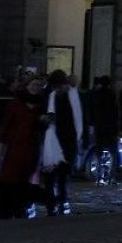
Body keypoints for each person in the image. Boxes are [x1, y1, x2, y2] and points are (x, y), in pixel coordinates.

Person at [0, 75, 47, 219]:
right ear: (27, 86)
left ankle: (19, 208)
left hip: (32, 146)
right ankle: (0, 208)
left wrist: (43, 121)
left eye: (38, 85)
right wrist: (1, 145)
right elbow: (7, 125)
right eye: (33, 85)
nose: (35, 88)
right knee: (10, 177)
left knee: (25, 179)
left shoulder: (42, 105)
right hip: (16, 146)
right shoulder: (16, 104)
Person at [39, 69, 83, 216]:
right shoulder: (48, 97)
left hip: (68, 140)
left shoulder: (72, 96)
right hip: (52, 139)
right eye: (57, 87)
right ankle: (51, 203)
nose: (59, 89)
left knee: (64, 173)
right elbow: (41, 116)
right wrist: (45, 120)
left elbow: (78, 118)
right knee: (51, 174)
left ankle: (63, 200)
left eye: (61, 86)